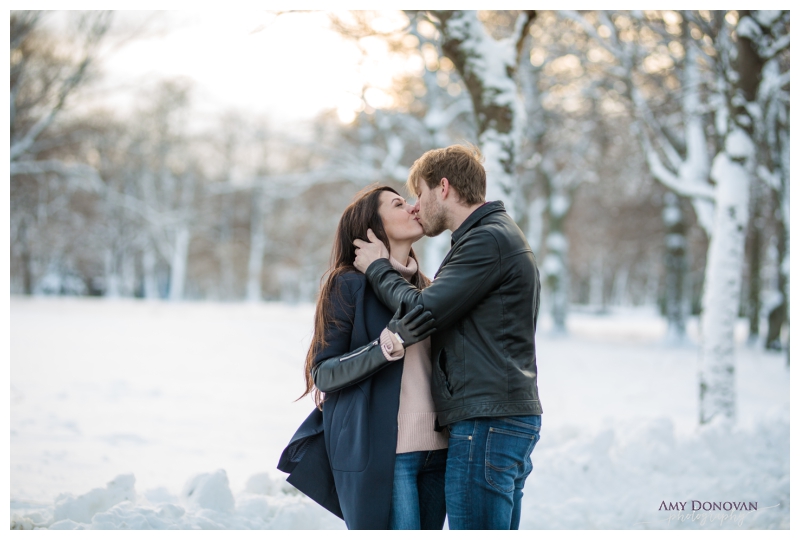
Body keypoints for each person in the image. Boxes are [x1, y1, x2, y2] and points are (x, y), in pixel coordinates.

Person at [353, 144, 543, 530]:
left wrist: (377, 268)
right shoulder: (491, 236)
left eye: (419, 194)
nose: (416, 207)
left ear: (443, 187)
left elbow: (423, 312)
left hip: (487, 421)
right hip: (501, 418)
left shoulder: (487, 240)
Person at [279, 185, 448, 530]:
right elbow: (324, 373)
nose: (413, 208)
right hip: (386, 454)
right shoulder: (347, 284)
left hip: (441, 451)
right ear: (372, 227)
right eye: (399, 204)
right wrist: (384, 346)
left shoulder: (428, 289)